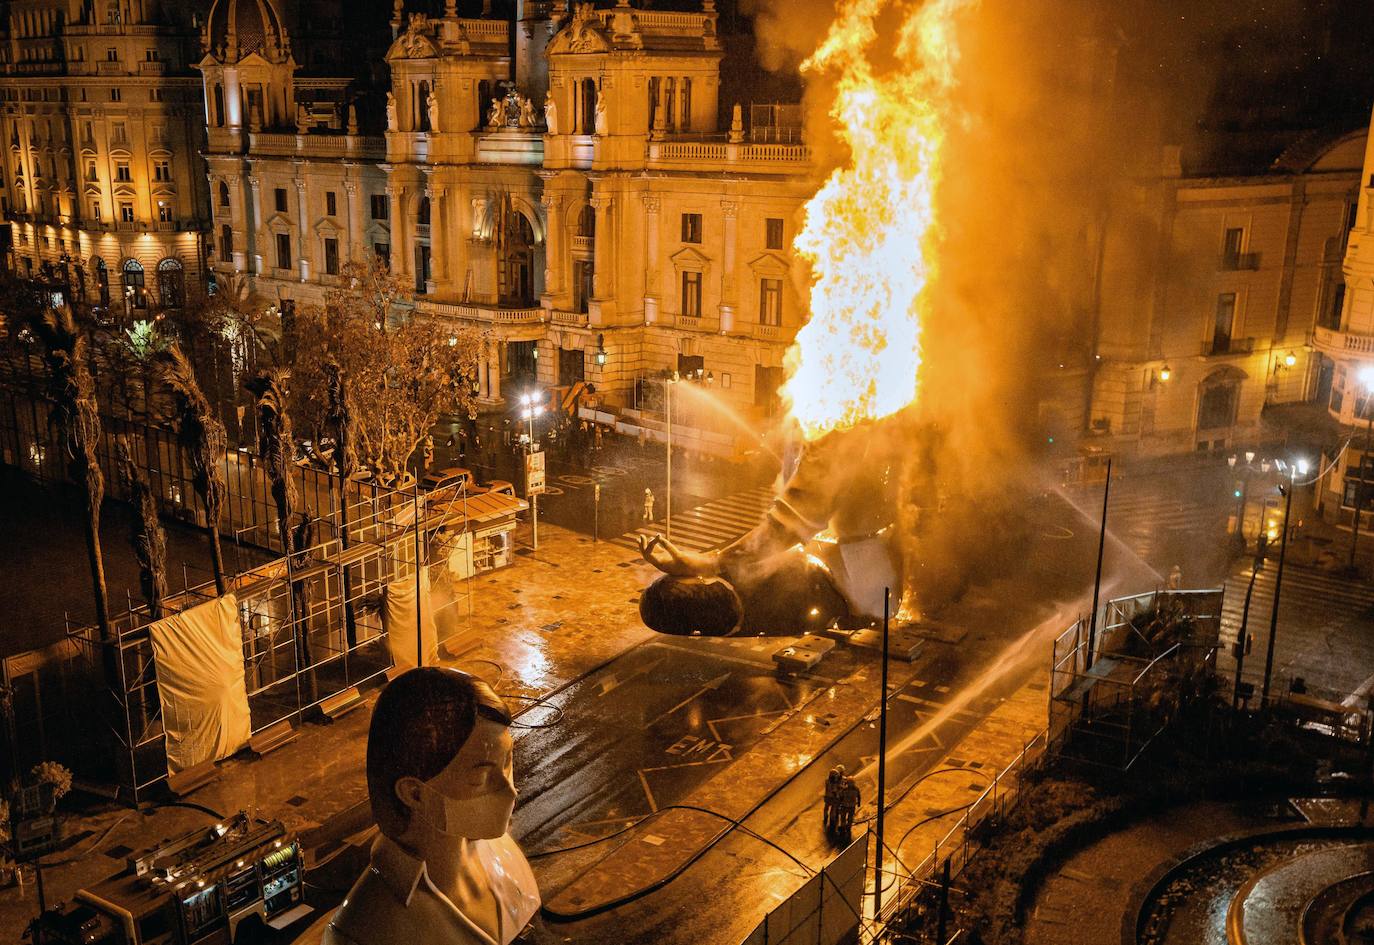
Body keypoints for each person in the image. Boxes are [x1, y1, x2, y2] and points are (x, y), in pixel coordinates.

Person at [324, 668, 539, 945]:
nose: (509, 789)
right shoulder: (361, 933)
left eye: (507, 762)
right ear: (413, 794)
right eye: (481, 778)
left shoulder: (504, 855)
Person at [823, 765, 845, 835]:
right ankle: (832, 821)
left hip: (827, 797)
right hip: (833, 798)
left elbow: (828, 788)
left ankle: (825, 817)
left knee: (826, 808)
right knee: (833, 809)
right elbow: (835, 790)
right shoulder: (835, 783)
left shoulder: (827, 780)